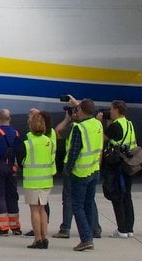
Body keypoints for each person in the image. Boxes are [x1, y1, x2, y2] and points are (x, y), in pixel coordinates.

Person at [65, 98, 103, 251]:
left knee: (77, 206)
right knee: (88, 204)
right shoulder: (98, 124)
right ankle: (91, 234)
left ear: (81, 110)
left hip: (80, 172)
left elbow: (74, 151)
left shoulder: (79, 128)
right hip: (94, 169)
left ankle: (86, 238)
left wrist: (68, 168)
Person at [19, 110, 55, 249]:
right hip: (46, 180)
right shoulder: (49, 141)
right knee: (43, 209)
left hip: (32, 180)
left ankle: (38, 239)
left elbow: (21, 161)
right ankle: (45, 237)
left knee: (34, 210)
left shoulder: (27, 143)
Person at [102, 99, 135, 238]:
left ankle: (121, 229)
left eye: (111, 109)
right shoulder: (129, 123)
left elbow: (102, 138)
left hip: (116, 165)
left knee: (116, 195)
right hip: (129, 164)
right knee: (127, 195)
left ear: (116, 110)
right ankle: (129, 228)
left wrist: (101, 122)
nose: (109, 112)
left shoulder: (115, 125)